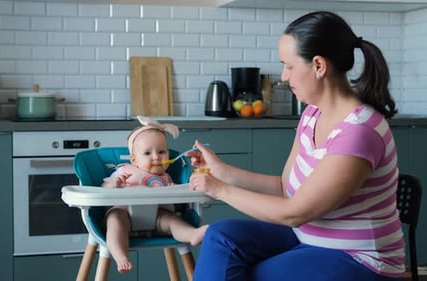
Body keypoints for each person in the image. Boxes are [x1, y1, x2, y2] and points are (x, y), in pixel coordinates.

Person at [188, 11, 404, 281]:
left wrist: (220, 190)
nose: (284, 76)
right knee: (221, 237)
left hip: (359, 259)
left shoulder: (359, 131)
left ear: (318, 65)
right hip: (308, 238)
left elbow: (295, 213)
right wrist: (221, 171)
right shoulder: (312, 114)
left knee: (257, 274)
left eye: (289, 66)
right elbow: (285, 188)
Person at [103, 116, 208, 274]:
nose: (156, 157)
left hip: (157, 219)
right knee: (114, 220)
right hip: (125, 215)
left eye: (162, 151)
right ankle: (121, 256)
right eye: (147, 153)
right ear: (134, 159)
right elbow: (103, 187)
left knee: (172, 220)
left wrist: (174, 190)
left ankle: (192, 234)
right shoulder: (125, 171)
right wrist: (114, 184)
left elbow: (180, 204)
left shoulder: (166, 177)